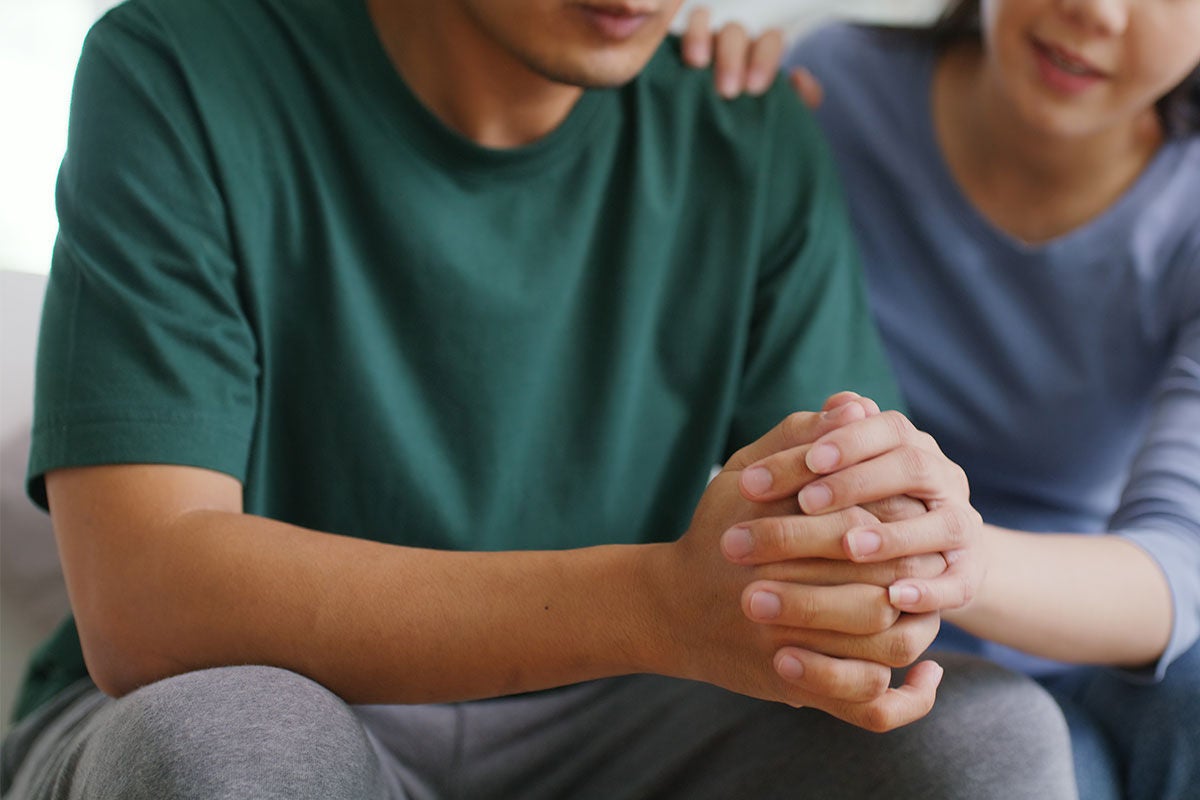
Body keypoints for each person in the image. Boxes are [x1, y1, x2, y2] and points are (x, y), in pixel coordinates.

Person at [0, 0, 1081, 798]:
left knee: (987, 738)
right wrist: (659, 602)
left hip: (608, 712)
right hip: (266, 692)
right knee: (225, 743)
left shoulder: (746, 130)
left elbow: (837, 532)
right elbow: (145, 603)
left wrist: (890, 550)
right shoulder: (179, 63)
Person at [683, 1, 1200, 797]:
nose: (1094, 10)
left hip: (1088, 630)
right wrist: (675, 101)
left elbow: (1181, 563)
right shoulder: (837, 88)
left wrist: (950, 554)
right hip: (857, 630)